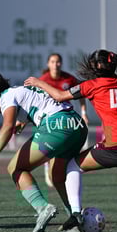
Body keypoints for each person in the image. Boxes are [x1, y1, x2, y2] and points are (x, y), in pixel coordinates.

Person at [25, 49, 117, 232]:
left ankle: (76, 214)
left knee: (73, 166)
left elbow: (60, 96)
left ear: (95, 66)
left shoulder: (92, 85)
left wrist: (38, 82)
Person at [0, 72, 88, 232]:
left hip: (57, 127)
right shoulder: (19, 91)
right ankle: (75, 218)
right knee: (56, 175)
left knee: (15, 167)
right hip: (77, 126)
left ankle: (43, 208)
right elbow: (41, 104)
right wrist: (25, 121)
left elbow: (7, 127)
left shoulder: (6, 96)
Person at [39, 53, 89, 188]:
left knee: (65, 150)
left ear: (61, 63)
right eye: (52, 61)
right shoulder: (43, 80)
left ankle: (65, 173)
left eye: (58, 62)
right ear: (48, 64)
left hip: (67, 119)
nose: (55, 64)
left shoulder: (69, 79)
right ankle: (47, 167)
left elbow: (81, 95)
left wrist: (84, 113)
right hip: (49, 119)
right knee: (49, 148)